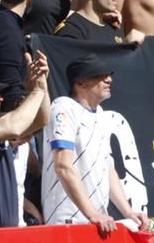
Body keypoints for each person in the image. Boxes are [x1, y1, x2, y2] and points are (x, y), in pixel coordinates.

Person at [42, 55, 145, 230]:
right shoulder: (63, 108)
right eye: (100, 75)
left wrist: (127, 212)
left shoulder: (100, 113)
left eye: (108, 75)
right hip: (67, 220)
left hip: (97, 221)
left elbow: (107, 168)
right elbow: (63, 166)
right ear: (80, 83)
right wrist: (92, 214)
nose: (109, 79)